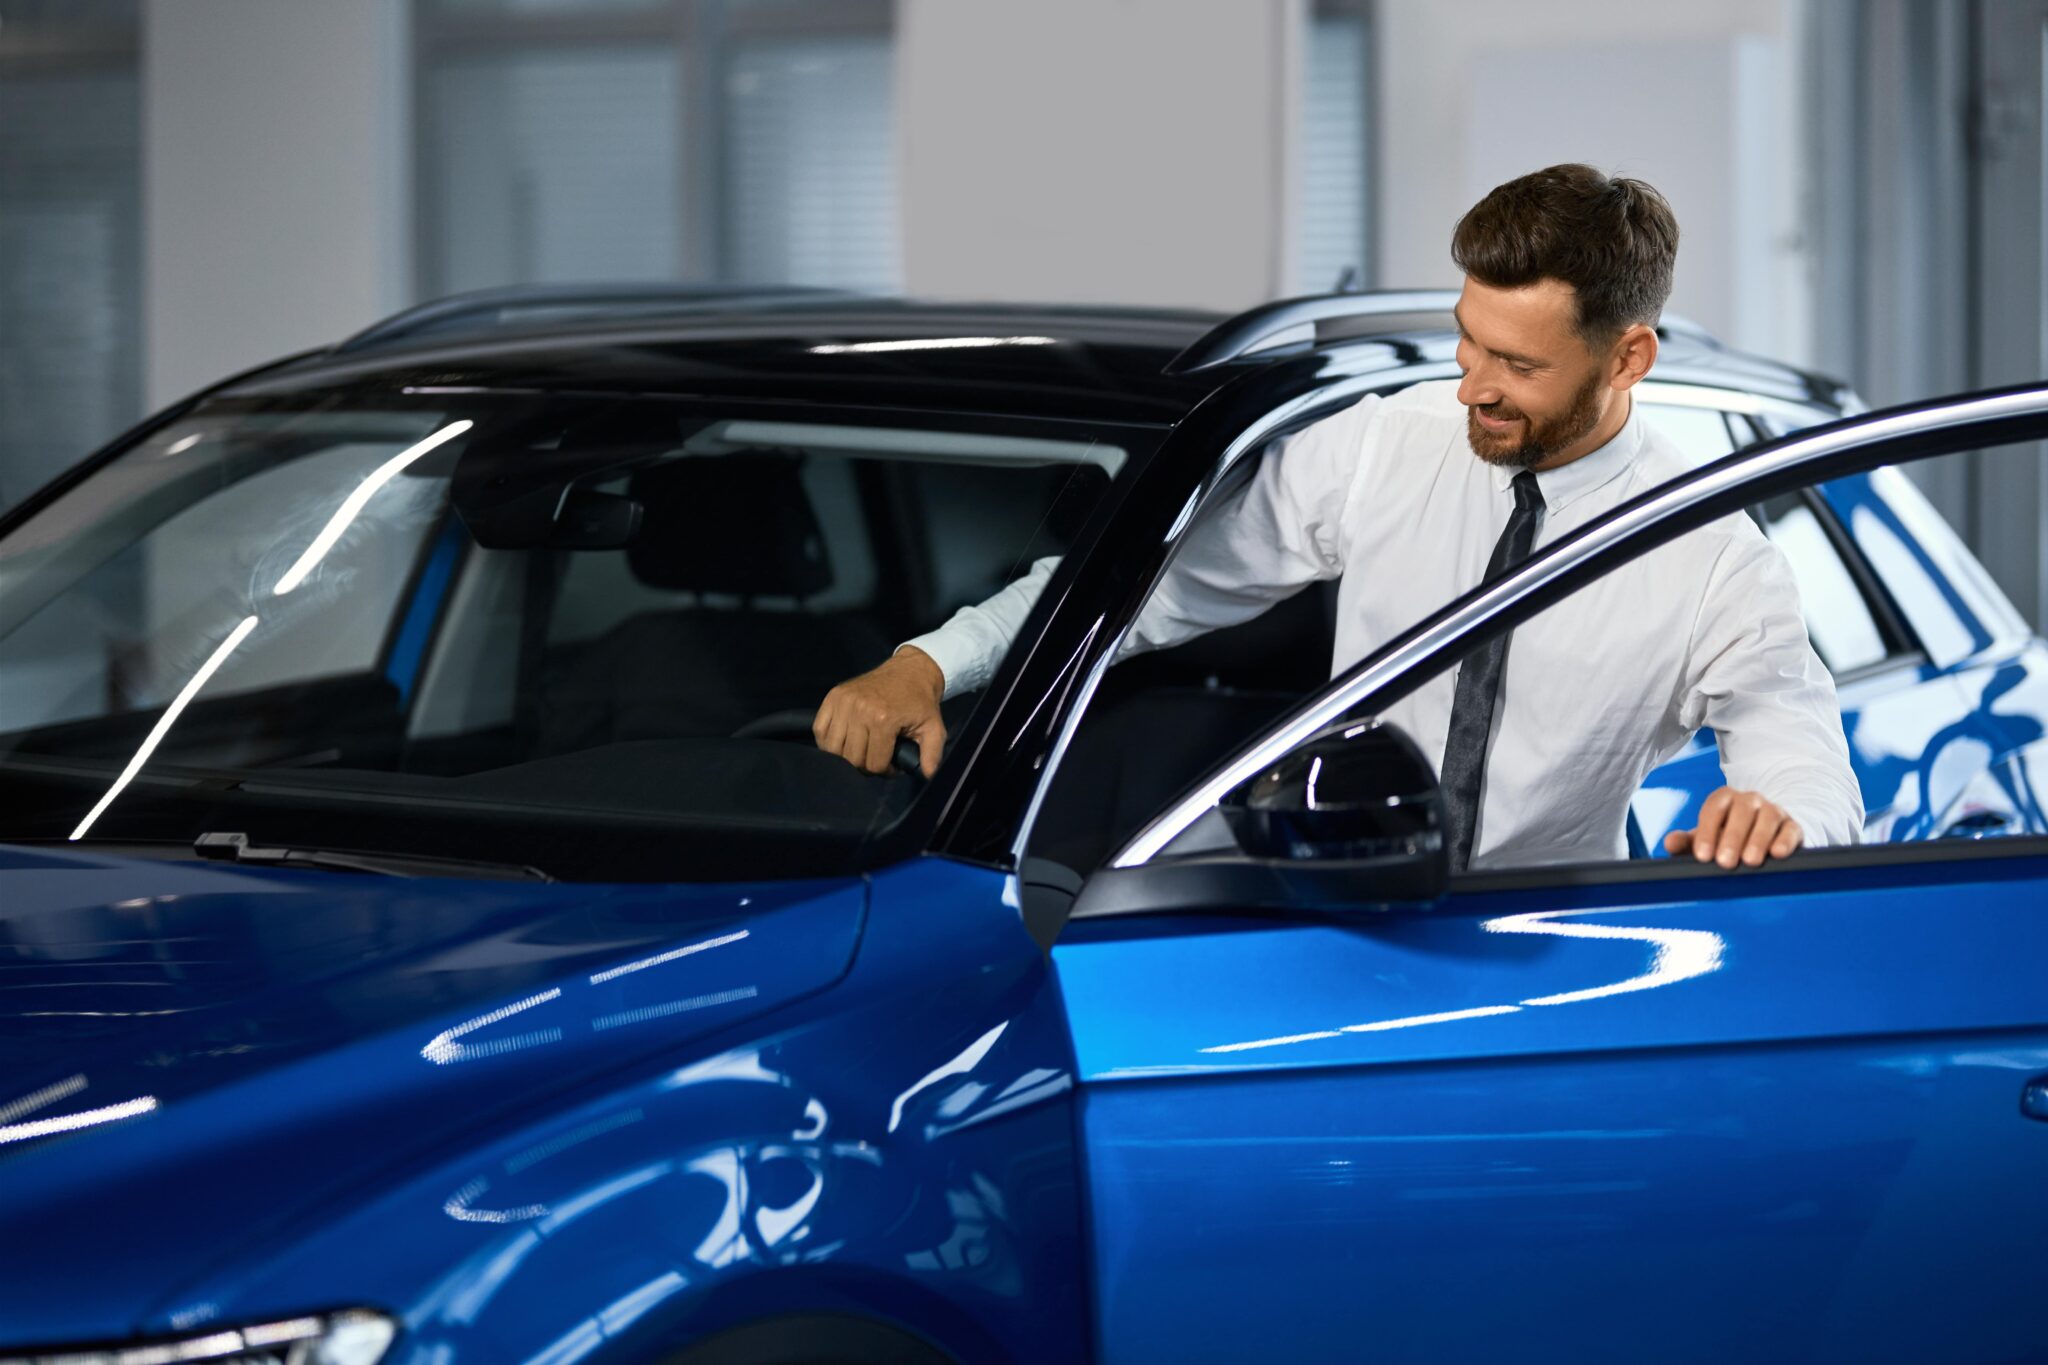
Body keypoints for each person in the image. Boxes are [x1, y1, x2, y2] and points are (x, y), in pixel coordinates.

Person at [812, 163, 1863, 870]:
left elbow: (1800, 757)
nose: (1469, 388)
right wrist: (929, 662)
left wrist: (1777, 822)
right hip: (1336, 926)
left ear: (1628, 356)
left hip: (1552, 961)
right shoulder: (1380, 446)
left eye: (1515, 364)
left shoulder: (1713, 561)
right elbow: (1139, 591)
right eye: (1465, 341)